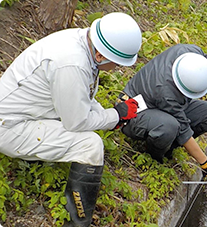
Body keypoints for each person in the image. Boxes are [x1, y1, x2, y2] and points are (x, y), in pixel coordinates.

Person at [0, 12, 142, 226]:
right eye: (117, 63)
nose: (117, 68)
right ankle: (77, 222)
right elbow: (76, 122)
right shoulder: (72, 64)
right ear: (101, 56)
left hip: (25, 114)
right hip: (10, 127)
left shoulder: (82, 42)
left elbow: (82, 98)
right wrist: (116, 116)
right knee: (90, 145)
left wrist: (112, 115)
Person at [119, 41, 207, 180]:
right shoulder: (165, 92)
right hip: (136, 112)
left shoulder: (190, 52)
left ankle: (169, 146)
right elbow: (183, 129)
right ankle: (155, 155)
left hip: (164, 107)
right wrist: (205, 163)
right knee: (170, 126)